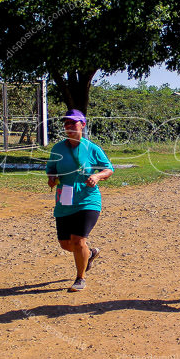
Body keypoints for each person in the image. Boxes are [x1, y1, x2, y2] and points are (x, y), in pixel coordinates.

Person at [46, 109, 114, 292]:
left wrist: (98, 177)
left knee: (78, 240)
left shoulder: (91, 148)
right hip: (65, 200)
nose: (69, 126)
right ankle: (89, 253)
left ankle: (80, 278)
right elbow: (51, 168)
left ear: (82, 125)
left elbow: (108, 169)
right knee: (65, 244)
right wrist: (51, 178)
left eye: (73, 123)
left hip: (87, 199)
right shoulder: (57, 148)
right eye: (66, 123)